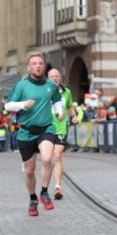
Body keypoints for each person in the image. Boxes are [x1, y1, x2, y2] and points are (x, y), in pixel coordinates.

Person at [5, 51, 63, 215]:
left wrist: (59, 112)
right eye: (35, 63)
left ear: (43, 66)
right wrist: (23, 104)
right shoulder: (21, 86)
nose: (38, 66)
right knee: (29, 171)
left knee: (47, 159)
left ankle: (44, 192)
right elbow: (8, 106)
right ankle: (33, 198)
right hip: (26, 132)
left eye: (40, 63)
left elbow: (57, 99)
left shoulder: (51, 86)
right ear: (29, 67)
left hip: (46, 129)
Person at [47, 68, 77, 200]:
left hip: (60, 128)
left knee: (57, 156)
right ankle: (44, 186)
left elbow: (69, 106)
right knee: (47, 159)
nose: (55, 78)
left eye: (57, 76)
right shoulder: (43, 91)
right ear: (48, 79)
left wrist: (74, 116)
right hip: (46, 128)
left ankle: (58, 186)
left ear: (60, 78)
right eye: (52, 76)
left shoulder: (67, 92)